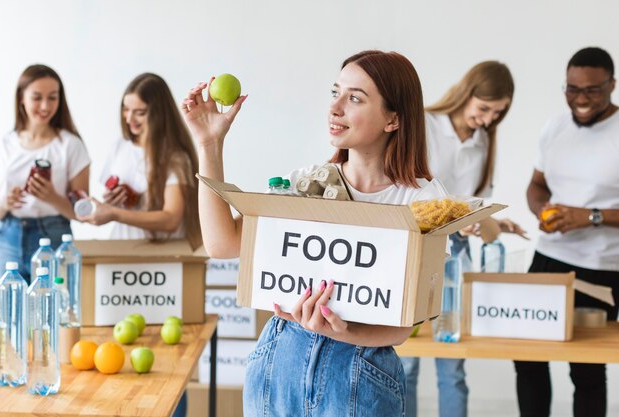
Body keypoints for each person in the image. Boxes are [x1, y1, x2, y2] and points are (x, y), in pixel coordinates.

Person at [183, 50, 434, 416]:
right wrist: (209, 144)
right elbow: (221, 245)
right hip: (279, 364)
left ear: (393, 119)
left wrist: (341, 331)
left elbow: (401, 328)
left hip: (359, 376)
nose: (335, 108)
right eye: (336, 92)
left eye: (355, 98)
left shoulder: (422, 204)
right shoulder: (309, 186)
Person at [401, 60, 525, 417]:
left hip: (454, 254)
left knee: (452, 362)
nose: (487, 120)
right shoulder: (423, 125)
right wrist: (456, 216)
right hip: (416, 246)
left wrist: (492, 223)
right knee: (406, 361)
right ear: (466, 93)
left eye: (497, 114)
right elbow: (406, 189)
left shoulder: (484, 141)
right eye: (484, 109)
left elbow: (478, 201)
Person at [79, 73, 201, 417]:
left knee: (166, 359)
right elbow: (111, 199)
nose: (129, 120)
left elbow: (171, 218)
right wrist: (114, 202)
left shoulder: (174, 157)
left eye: (140, 112)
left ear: (158, 113)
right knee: (118, 356)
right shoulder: (119, 148)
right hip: (122, 262)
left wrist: (115, 212)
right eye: (126, 110)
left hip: (160, 270)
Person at [517, 46, 619, 417]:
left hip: (603, 267)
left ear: (612, 84)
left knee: (587, 366)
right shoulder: (555, 128)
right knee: (527, 354)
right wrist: (542, 209)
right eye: (572, 89)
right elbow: (536, 185)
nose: (581, 99)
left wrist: (589, 217)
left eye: (591, 90)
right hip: (548, 257)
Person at [0, 64, 90, 282]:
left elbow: (84, 213)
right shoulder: (4, 145)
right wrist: (5, 204)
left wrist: (52, 198)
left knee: (53, 311)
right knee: (8, 312)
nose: (45, 106)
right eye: (37, 97)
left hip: (54, 236)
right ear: (22, 98)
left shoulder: (70, 145)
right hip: (8, 236)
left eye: (52, 97)